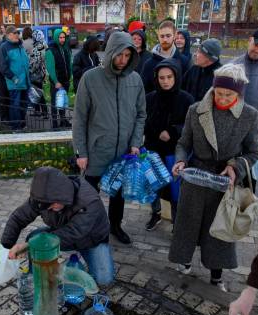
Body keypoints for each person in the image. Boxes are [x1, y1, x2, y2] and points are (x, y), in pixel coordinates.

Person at [169, 63, 258, 290]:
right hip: (195, 177)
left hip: (224, 182)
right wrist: (181, 160)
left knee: (219, 230)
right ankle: (185, 262)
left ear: (238, 93)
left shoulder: (249, 115)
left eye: (228, 94)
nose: (221, 98)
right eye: (218, 92)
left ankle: (216, 275)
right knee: (188, 225)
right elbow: (183, 143)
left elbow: (254, 151)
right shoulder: (196, 110)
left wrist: (236, 166)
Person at [73, 31, 146, 245]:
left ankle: (115, 225)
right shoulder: (90, 78)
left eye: (127, 55)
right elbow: (79, 118)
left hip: (123, 152)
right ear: (111, 52)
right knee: (89, 196)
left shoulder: (135, 80)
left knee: (118, 195)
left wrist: (135, 143)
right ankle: (90, 228)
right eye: (119, 55)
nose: (123, 60)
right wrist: (81, 152)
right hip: (96, 151)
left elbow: (141, 113)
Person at [1, 167, 115, 286]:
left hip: (92, 240)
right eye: (47, 206)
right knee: (34, 237)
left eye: (53, 205)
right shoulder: (42, 197)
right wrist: (5, 250)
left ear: (64, 195)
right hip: (61, 233)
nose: (50, 208)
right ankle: (34, 273)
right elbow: (18, 218)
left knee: (104, 279)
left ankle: (98, 253)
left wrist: (28, 246)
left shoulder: (89, 201)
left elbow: (72, 233)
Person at [143, 58, 194, 230]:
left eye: (169, 77)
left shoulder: (186, 99)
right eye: (161, 77)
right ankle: (155, 213)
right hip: (153, 149)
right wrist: (157, 132)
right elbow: (143, 121)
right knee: (153, 185)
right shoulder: (150, 98)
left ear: (176, 77)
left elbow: (190, 126)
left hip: (174, 151)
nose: (165, 81)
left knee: (175, 188)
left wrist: (173, 132)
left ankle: (176, 220)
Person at [141, 20, 189, 93]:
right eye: (162, 36)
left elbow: (187, 89)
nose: (165, 39)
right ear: (158, 36)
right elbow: (143, 91)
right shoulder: (149, 64)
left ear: (175, 35)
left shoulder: (184, 62)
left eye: (168, 36)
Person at [0, 26, 30, 130]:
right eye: (14, 33)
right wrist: (13, 78)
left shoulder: (20, 45)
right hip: (15, 83)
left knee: (24, 104)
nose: (17, 34)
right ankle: (16, 127)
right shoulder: (4, 47)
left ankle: (22, 123)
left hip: (25, 81)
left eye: (18, 32)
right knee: (15, 105)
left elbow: (24, 62)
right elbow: (3, 67)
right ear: (8, 35)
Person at [45, 29, 73, 129]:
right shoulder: (50, 50)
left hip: (65, 80)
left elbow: (69, 64)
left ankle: (63, 120)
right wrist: (56, 81)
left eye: (63, 37)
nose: (62, 39)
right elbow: (50, 67)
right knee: (54, 103)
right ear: (56, 37)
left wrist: (70, 76)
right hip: (56, 82)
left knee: (63, 102)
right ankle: (54, 124)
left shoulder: (65, 49)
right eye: (60, 37)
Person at [28, 29, 49, 118]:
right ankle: (38, 111)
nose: (32, 39)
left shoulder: (39, 47)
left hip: (37, 74)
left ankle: (44, 113)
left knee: (38, 93)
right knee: (37, 92)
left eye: (33, 37)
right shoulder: (45, 45)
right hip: (42, 73)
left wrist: (30, 70)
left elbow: (37, 62)